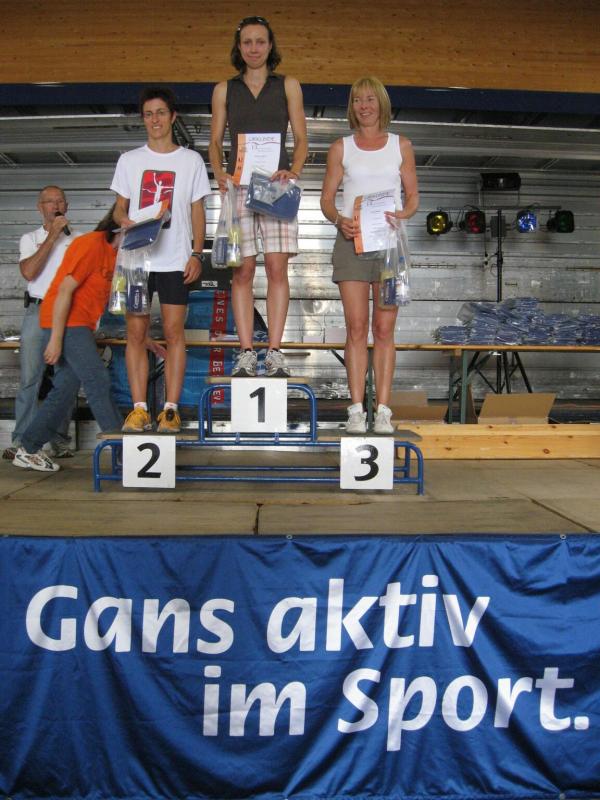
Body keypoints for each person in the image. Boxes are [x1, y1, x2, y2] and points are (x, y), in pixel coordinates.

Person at [209, 15, 308, 378]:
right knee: (243, 270)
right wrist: (219, 172)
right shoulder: (224, 89)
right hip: (239, 186)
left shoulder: (288, 85)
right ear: (239, 47)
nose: (254, 48)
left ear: (270, 45)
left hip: (276, 187)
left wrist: (293, 170)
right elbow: (214, 141)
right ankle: (247, 352)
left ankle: (275, 351)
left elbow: (302, 139)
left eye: (260, 41)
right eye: (247, 42)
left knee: (278, 267)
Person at [320, 77, 419, 434]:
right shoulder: (341, 148)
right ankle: (356, 410)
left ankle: (384, 411)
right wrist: (339, 220)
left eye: (370, 99)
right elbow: (326, 200)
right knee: (357, 327)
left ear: (381, 104)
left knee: (384, 328)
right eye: (358, 100)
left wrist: (403, 214)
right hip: (352, 244)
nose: (364, 106)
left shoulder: (401, 145)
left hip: (390, 246)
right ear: (352, 107)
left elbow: (413, 196)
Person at [111, 86, 211, 433]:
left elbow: (198, 210)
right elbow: (119, 208)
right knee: (135, 333)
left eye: (161, 113)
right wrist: (124, 219)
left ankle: (170, 410)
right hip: (136, 259)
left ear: (173, 117)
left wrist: (197, 253)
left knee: (173, 332)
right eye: (148, 114)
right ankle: (139, 409)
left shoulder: (190, 160)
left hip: (175, 259)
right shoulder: (129, 160)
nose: (155, 120)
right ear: (144, 119)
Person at [13, 208, 123, 473]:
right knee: (97, 380)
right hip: (65, 321)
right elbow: (64, 290)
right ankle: (124, 453)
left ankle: (28, 448)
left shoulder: (116, 255)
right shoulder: (90, 244)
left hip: (80, 325)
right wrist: (56, 338)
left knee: (64, 389)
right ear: (122, 225)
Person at [3, 185, 81, 461]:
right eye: (50, 201)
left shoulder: (79, 240)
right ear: (40, 208)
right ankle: (21, 440)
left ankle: (59, 440)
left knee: (65, 379)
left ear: (67, 206)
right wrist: (52, 236)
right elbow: (29, 272)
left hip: (70, 313)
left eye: (60, 201)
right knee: (30, 379)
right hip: (38, 310)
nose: (56, 205)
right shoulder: (30, 239)